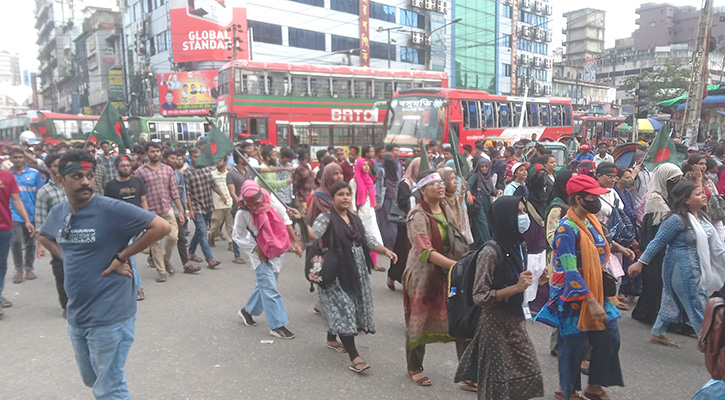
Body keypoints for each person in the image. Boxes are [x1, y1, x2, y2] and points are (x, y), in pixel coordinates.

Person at [37, 149, 170, 399]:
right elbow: (43, 235)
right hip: (78, 315)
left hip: (111, 315)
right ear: (59, 180)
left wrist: (122, 256)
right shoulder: (58, 213)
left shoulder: (111, 209)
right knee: (92, 379)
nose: (85, 181)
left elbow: (161, 226)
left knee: (109, 386)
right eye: (77, 176)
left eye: (89, 175)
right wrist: (66, 256)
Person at [291, 181, 397, 373]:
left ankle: (331, 338)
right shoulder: (326, 218)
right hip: (335, 271)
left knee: (345, 306)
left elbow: (366, 239)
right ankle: (355, 356)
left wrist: (385, 251)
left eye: (348, 194)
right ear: (331, 199)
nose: (345, 198)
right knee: (345, 308)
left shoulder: (354, 218)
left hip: (356, 270)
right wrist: (301, 221)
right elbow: (313, 236)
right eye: (340, 194)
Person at [537, 174, 624, 400]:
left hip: (596, 291)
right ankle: (567, 390)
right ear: (578, 199)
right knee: (572, 346)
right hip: (571, 295)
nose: (597, 200)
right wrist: (591, 301)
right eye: (592, 196)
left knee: (610, 338)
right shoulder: (566, 229)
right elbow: (569, 270)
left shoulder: (592, 222)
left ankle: (594, 386)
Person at [455, 196, 544, 399]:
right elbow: (480, 295)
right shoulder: (490, 251)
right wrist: (516, 287)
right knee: (495, 382)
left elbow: (518, 280)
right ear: (505, 217)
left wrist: (538, 279)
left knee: (527, 370)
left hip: (515, 319)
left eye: (524, 212)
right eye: (519, 213)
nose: (524, 217)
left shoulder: (518, 245)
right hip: (494, 324)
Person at [628, 180, 725, 348]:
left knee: (671, 298)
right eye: (698, 194)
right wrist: (640, 263)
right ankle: (711, 346)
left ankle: (658, 332)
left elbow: (716, 246)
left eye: (703, 193)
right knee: (696, 303)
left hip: (697, 267)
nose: (703, 196)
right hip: (681, 268)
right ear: (686, 199)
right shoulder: (676, 220)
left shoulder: (701, 217)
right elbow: (656, 242)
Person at [403, 170, 468, 387]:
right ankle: (414, 367)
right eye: (434, 184)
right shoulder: (417, 215)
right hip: (424, 276)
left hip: (449, 273)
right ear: (422, 190)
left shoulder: (446, 209)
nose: (440, 186)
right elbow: (425, 251)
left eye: (441, 182)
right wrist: (458, 267)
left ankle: (467, 372)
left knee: (461, 320)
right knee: (418, 323)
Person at [233, 180, 303, 339]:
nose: (254, 208)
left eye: (256, 204)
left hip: (277, 248)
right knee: (269, 288)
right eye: (250, 205)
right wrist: (256, 249)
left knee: (265, 285)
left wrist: (295, 242)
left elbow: (286, 221)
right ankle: (277, 325)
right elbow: (238, 236)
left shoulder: (273, 203)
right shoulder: (243, 213)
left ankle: (247, 312)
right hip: (259, 254)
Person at [631, 163, 683, 324]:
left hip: (662, 249)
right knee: (654, 283)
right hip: (654, 249)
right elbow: (655, 229)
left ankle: (645, 312)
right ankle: (653, 315)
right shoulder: (655, 199)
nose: (677, 183)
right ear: (664, 179)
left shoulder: (667, 196)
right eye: (673, 180)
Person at [134, 142, 185, 281]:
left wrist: (180, 211)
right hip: (151, 212)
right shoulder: (140, 172)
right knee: (155, 243)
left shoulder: (168, 170)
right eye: (152, 151)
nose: (156, 154)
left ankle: (166, 260)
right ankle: (161, 271)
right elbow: (139, 195)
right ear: (146, 154)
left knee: (174, 237)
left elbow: (174, 192)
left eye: (158, 151)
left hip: (167, 209)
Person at [105, 156, 149, 301]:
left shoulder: (137, 181)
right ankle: (138, 288)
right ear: (116, 168)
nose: (126, 168)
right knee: (131, 258)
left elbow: (143, 201)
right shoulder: (110, 186)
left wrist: (147, 220)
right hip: (123, 227)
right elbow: (109, 208)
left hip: (139, 224)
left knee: (129, 257)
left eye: (128, 165)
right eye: (122, 166)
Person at [0, 160, 35, 317]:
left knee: (1, 265)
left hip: (4, 226)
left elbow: (16, 199)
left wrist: (27, 220)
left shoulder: (7, 177)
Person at [34, 152, 68, 313]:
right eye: (55, 165)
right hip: (58, 241)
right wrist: (40, 245)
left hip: (81, 237)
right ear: (48, 169)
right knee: (61, 274)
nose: (59, 167)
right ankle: (67, 307)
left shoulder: (72, 184)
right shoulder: (44, 192)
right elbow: (40, 221)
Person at [184, 149, 229, 269]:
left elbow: (213, 184)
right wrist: (190, 209)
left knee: (200, 231)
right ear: (190, 158)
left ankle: (191, 252)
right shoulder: (187, 173)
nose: (197, 159)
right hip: (196, 206)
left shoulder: (206, 169)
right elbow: (187, 193)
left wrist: (222, 195)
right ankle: (210, 259)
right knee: (203, 233)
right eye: (194, 157)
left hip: (208, 204)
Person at [7, 146, 43, 284]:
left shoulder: (33, 174)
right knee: (15, 241)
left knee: (30, 243)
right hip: (13, 215)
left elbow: (40, 193)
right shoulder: (7, 175)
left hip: (32, 213)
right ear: (10, 159)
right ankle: (18, 269)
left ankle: (28, 268)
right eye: (15, 157)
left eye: (20, 157)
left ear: (24, 158)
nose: (18, 160)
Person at [387, 157, 420, 291]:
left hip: (417, 221)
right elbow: (402, 201)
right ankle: (393, 276)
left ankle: (407, 279)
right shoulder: (405, 183)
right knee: (402, 250)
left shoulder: (421, 183)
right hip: (405, 222)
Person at [350, 158, 385, 272]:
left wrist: (373, 207)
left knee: (373, 235)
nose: (366, 167)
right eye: (363, 165)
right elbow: (352, 198)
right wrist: (354, 211)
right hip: (360, 212)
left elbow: (371, 197)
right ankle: (361, 262)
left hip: (370, 211)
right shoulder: (354, 181)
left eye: (367, 165)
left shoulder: (369, 179)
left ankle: (375, 262)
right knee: (361, 237)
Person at [467, 157, 495, 249]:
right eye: (482, 166)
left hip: (486, 202)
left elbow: (491, 191)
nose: (484, 169)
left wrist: (498, 191)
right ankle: (487, 245)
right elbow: (468, 185)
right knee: (482, 225)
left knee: (483, 224)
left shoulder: (488, 178)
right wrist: (468, 193)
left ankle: (477, 246)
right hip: (478, 204)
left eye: (486, 166)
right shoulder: (476, 175)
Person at [375, 154, 399, 253]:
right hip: (394, 201)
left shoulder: (382, 171)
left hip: (384, 201)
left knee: (384, 223)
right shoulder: (396, 172)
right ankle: (393, 244)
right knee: (393, 224)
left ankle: (385, 245)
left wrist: (377, 201)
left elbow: (379, 187)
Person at [209, 157, 234, 251]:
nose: (218, 163)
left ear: (224, 162)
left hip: (229, 202)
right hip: (217, 203)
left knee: (230, 225)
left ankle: (230, 242)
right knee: (216, 224)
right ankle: (211, 236)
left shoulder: (229, 174)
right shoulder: (212, 175)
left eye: (219, 161)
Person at [293, 150, 315, 214]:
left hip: (308, 197)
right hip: (302, 198)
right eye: (306, 158)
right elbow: (296, 185)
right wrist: (296, 199)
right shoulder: (299, 169)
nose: (307, 159)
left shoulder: (307, 167)